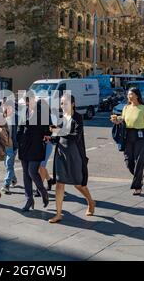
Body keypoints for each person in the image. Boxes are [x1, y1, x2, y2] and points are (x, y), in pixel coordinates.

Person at [47, 94, 95, 224]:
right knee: (59, 183)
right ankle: (58, 214)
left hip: (74, 155)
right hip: (61, 154)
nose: (63, 106)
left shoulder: (78, 118)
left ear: (73, 104)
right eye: (61, 103)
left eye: (65, 103)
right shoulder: (62, 118)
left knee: (78, 184)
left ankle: (90, 201)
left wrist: (59, 131)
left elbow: (75, 136)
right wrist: (50, 138)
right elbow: (58, 138)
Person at [111, 88, 144, 196]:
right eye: (128, 94)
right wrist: (117, 119)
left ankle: (138, 187)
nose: (129, 96)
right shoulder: (126, 107)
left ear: (137, 95)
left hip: (141, 136)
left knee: (139, 161)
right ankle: (139, 176)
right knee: (128, 161)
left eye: (131, 94)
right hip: (128, 135)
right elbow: (123, 119)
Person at [16, 93, 50, 212]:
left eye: (29, 100)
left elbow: (48, 128)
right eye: (25, 100)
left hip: (36, 147)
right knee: (26, 174)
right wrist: (18, 139)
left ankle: (43, 192)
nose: (27, 102)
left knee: (32, 171)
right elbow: (20, 127)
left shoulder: (42, 111)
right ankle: (29, 199)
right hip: (24, 147)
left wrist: (47, 136)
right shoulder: (23, 111)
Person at [1, 97, 18, 195]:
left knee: (9, 164)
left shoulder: (14, 117)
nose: (3, 107)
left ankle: (6, 185)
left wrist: (16, 145)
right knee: (7, 164)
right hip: (5, 145)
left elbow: (16, 133)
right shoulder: (3, 117)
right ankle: (14, 179)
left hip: (12, 145)